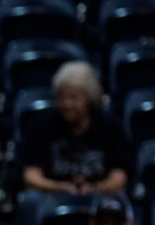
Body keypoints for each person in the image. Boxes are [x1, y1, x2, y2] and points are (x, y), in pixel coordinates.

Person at [21, 61, 132, 197]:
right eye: (62, 97)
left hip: (100, 198)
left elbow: (118, 179)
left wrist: (92, 189)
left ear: (89, 98)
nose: (67, 104)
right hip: (51, 197)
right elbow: (31, 177)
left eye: (74, 97)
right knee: (30, 199)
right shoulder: (40, 126)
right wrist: (61, 187)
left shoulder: (111, 128)